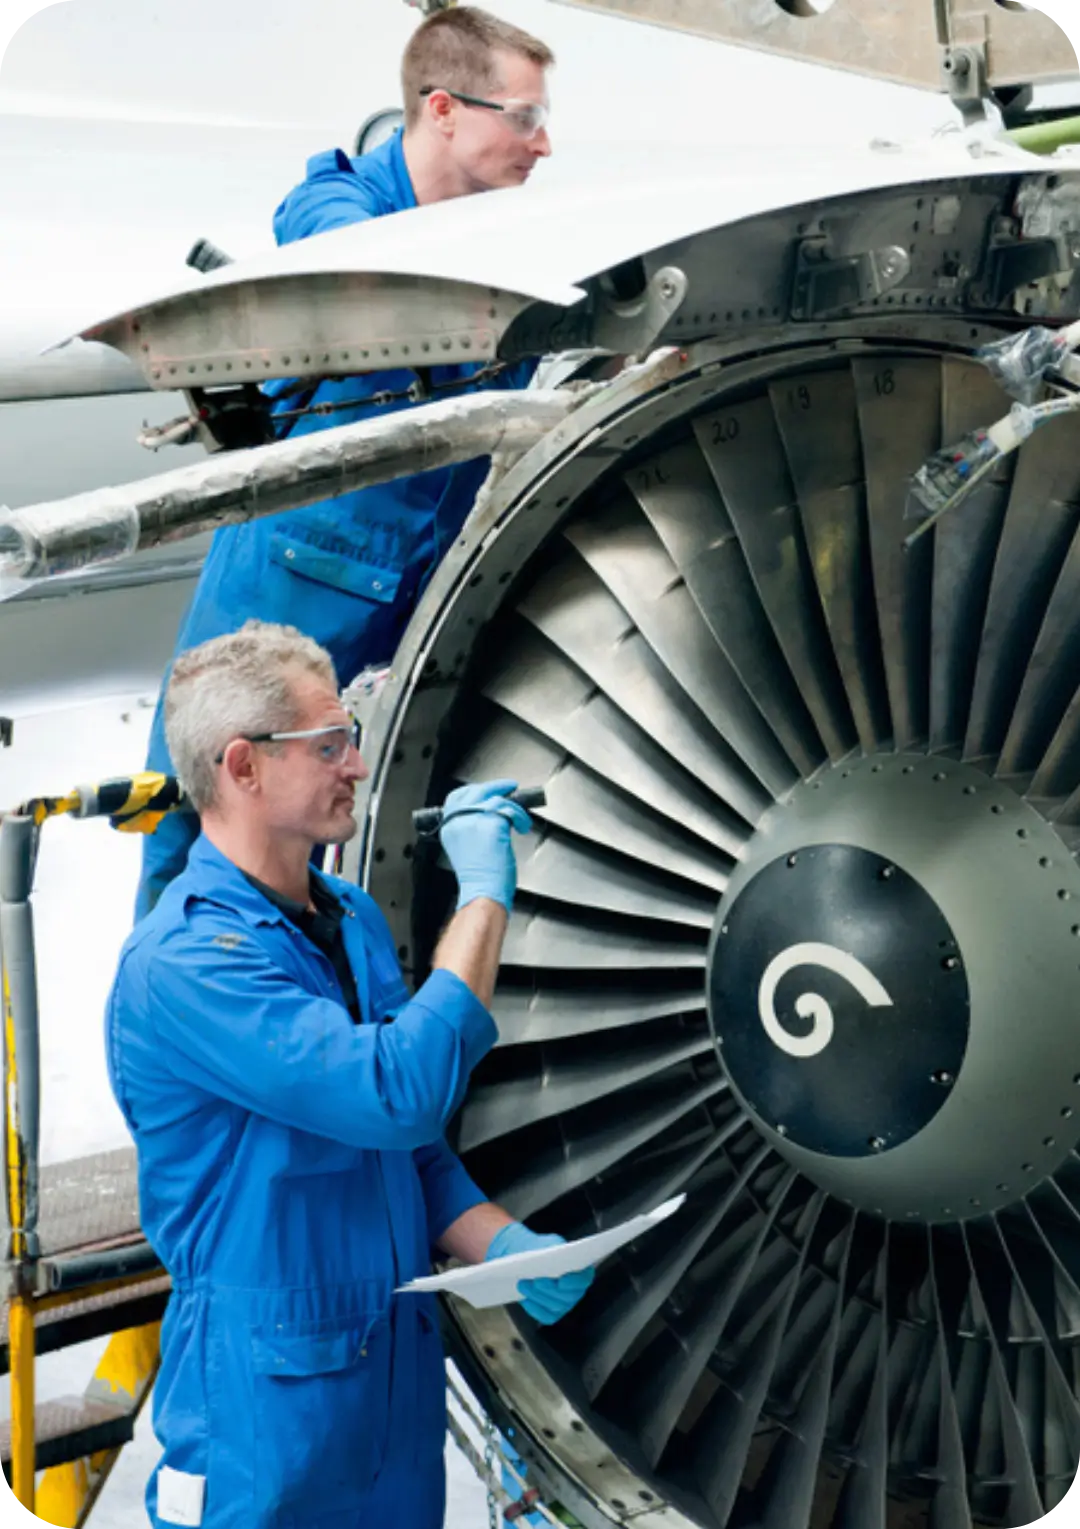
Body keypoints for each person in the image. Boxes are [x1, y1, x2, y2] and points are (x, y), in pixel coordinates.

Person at [106, 621, 594, 1529]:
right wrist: (484, 896)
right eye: (329, 745)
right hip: (266, 1420)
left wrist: (505, 1246)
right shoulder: (186, 965)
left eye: (352, 741)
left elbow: (404, 1149)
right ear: (243, 767)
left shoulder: (350, 918)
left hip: (386, 1412)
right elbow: (393, 1090)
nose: (358, 768)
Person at [137, 5, 554, 917]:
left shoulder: (512, 240)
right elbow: (337, 243)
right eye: (522, 118)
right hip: (291, 592)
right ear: (442, 110)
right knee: (196, 828)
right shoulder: (347, 206)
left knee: (319, 861)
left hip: (405, 600)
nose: (543, 143)